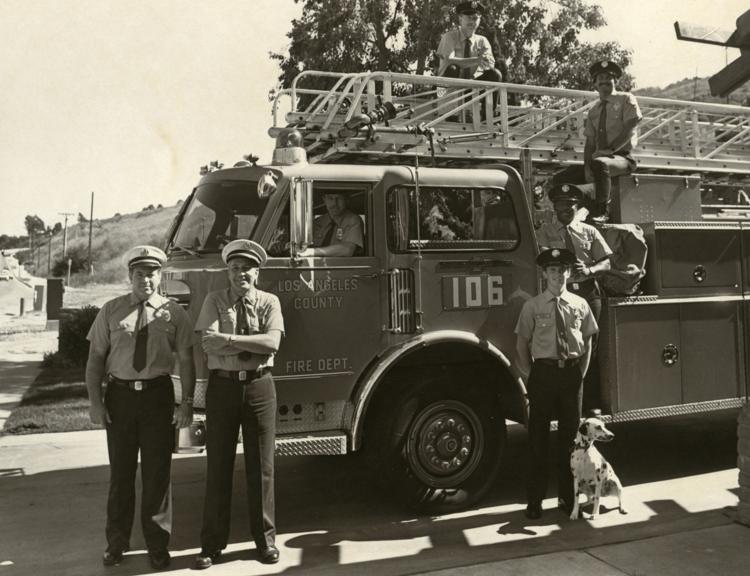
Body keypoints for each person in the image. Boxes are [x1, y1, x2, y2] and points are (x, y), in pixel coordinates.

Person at [85, 245, 195, 569]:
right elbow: (95, 359)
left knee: (157, 474)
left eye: (151, 273)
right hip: (119, 398)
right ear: (129, 276)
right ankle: (116, 544)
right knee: (120, 474)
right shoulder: (111, 310)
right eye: (139, 273)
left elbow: (187, 361)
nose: (145, 279)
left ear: (160, 276)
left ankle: (157, 546)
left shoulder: (174, 313)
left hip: (157, 397)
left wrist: (186, 402)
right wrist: (94, 401)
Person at [194, 239, 284, 569]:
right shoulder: (213, 300)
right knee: (218, 466)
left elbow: (272, 342)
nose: (240, 274)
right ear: (227, 272)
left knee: (262, 468)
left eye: (246, 268)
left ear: (256, 272)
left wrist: (229, 341)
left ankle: (265, 541)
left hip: (260, 387)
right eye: (234, 268)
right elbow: (208, 345)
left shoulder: (269, 301)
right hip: (223, 389)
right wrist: (250, 345)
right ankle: (211, 545)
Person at [515, 248, 598, 519]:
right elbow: (521, 344)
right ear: (544, 274)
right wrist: (531, 376)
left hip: (571, 376)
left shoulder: (580, 304)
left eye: (562, 270)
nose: (558, 275)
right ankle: (535, 501)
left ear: (569, 273)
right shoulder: (533, 306)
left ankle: (566, 498)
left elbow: (587, 340)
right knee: (538, 439)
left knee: (570, 442)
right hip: (543, 375)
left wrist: (580, 373)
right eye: (552, 270)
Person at [536, 183, 612, 413]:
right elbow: (540, 260)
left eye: (570, 205)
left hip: (588, 294)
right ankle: (564, 405)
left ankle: (589, 403)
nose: (565, 209)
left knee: (590, 347)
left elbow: (607, 262)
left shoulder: (589, 231)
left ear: (576, 206)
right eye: (561, 205)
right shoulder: (544, 232)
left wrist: (589, 270)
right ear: (554, 207)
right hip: (562, 295)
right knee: (562, 348)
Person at [584, 59, 643, 222]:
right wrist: (586, 167)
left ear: (615, 81)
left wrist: (610, 150)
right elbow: (589, 144)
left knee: (601, 164)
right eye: (599, 78)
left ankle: (602, 212)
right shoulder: (593, 111)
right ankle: (583, 212)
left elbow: (629, 129)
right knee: (561, 178)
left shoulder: (626, 99)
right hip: (599, 160)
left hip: (622, 158)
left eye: (608, 77)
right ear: (595, 84)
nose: (604, 81)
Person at [437, 1, 503, 117]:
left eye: (475, 18)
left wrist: (481, 65)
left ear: (479, 20)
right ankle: (448, 114)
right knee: (453, 68)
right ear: (460, 18)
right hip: (446, 90)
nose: (472, 21)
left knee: (495, 74)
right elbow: (449, 60)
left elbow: (488, 65)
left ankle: (487, 117)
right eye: (468, 17)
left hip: (470, 89)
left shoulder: (483, 41)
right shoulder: (449, 37)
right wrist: (477, 60)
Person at [298, 192, 364, 257]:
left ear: (346, 200)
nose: (334, 203)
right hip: (316, 265)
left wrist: (312, 252)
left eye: (339, 198)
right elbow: (304, 245)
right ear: (324, 199)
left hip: (341, 266)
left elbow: (347, 250)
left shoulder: (353, 220)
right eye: (330, 198)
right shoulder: (318, 222)